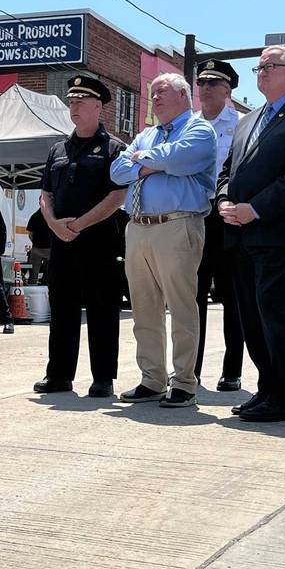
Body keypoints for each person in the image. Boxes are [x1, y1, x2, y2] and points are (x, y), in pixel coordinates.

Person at [216, 46, 285, 423]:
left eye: (270, 66)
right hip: (240, 235)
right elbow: (228, 171)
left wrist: (255, 209)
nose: (261, 72)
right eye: (259, 67)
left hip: (279, 235)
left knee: (275, 317)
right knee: (251, 318)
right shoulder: (247, 120)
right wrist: (224, 200)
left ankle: (283, 397)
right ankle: (268, 388)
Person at [110, 73, 216, 408]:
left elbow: (176, 159)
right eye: (152, 92)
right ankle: (152, 379)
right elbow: (116, 171)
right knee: (143, 309)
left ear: (184, 95)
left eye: (162, 92)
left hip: (177, 223)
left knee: (181, 306)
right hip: (138, 226)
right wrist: (152, 163)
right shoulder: (147, 134)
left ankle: (183, 381)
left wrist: (142, 160)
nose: (154, 98)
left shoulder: (200, 130)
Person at [34, 75, 127, 397]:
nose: (73, 107)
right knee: (62, 309)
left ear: (98, 106)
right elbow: (45, 194)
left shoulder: (114, 148)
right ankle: (59, 375)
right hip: (62, 241)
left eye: (81, 102)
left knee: (103, 309)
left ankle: (103, 377)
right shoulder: (58, 149)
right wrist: (54, 223)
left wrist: (79, 225)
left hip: (99, 240)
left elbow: (118, 196)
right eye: (71, 102)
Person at [194, 59, 245, 392]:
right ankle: (190, 370)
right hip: (193, 215)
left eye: (212, 83)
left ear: (227, 89)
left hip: (226, 216)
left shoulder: (241, 124)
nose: (205, 88)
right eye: (201, 82)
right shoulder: (189, 124)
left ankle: (231, 371)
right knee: (193, 296)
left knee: (231, 296)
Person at [25, 209, 51, 284]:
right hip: (49, 250)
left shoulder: (34, 216)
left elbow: (30, 234)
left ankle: (32, 286)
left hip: (36, 250)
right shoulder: (52, 216)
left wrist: (36, 242)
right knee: (49, 275)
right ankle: (47, 286)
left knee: (33, 275)